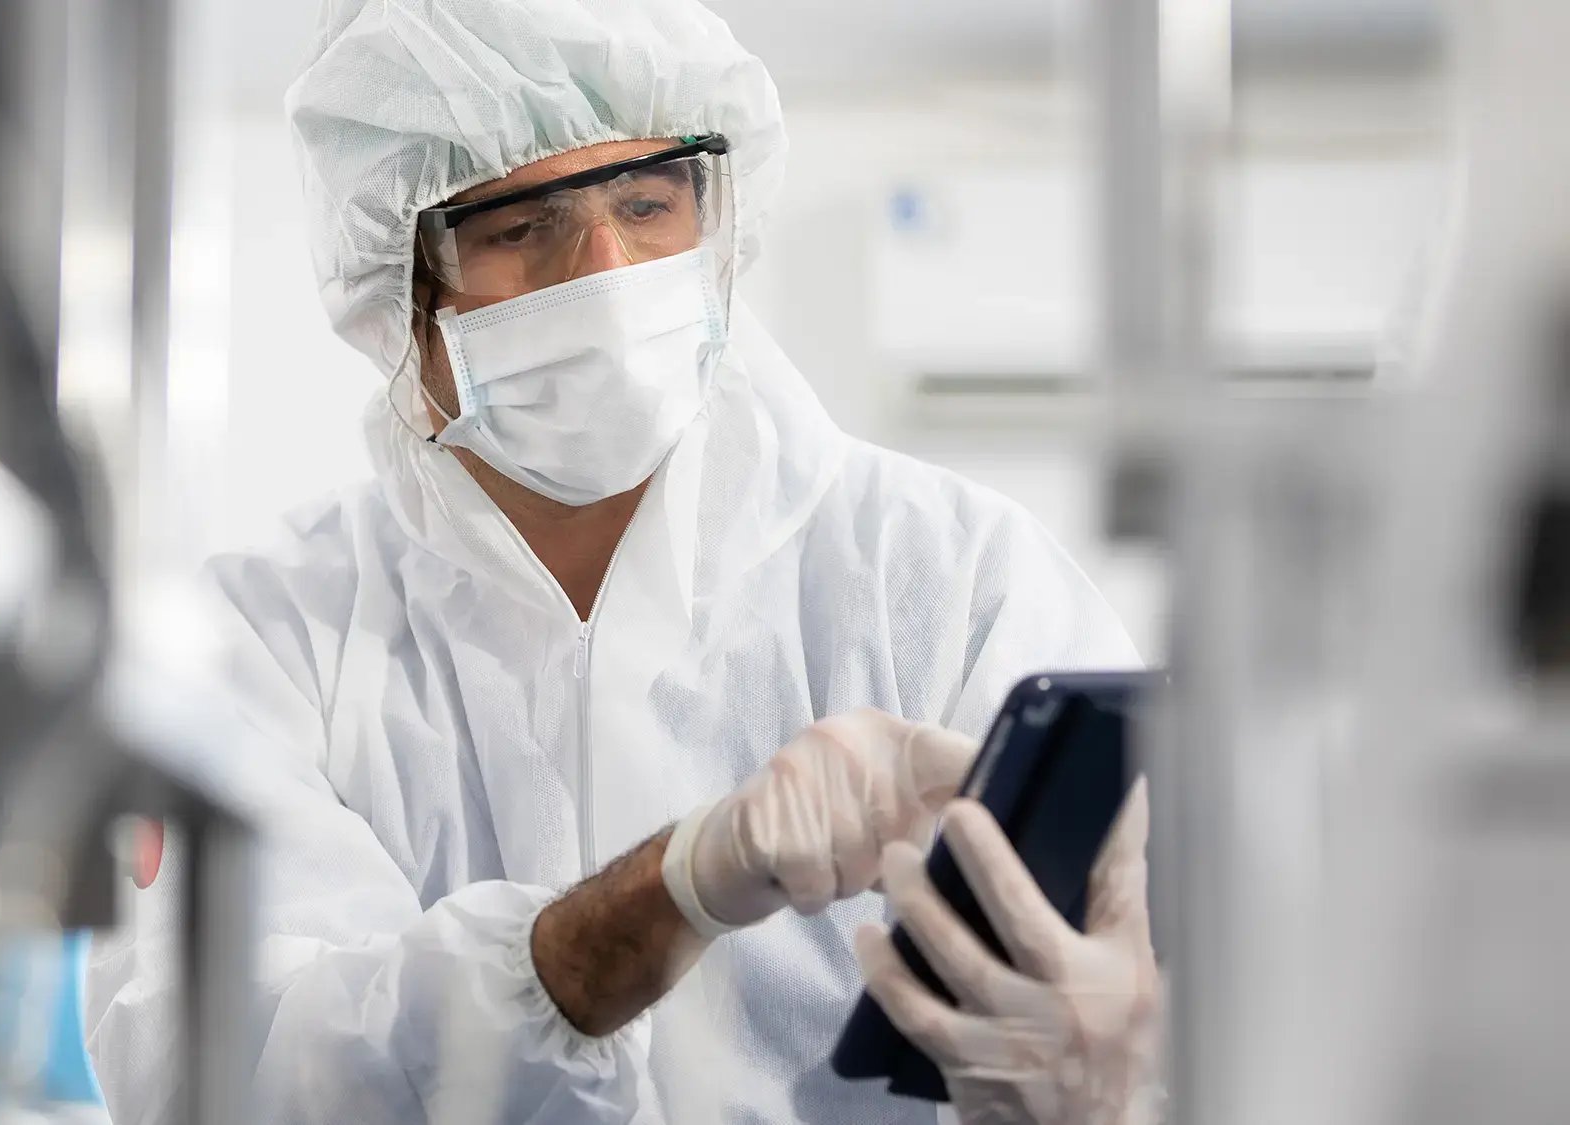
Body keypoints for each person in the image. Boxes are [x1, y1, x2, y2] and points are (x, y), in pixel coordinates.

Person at [85, 0, 1160, 1121]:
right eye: (519, 227)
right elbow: (233, 1069)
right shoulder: (265, 639)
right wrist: (671, 888)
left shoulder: (946, 578)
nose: (607, 272)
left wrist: (1120, 1079)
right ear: (393, 292)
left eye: (648, 204)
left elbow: (1173, 976)